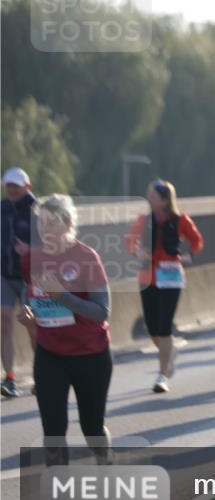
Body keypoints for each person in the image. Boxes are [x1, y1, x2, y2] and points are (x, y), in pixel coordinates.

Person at [18, 195, 112, 465]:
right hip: (50, 355)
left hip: (91, 355)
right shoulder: (31, 259)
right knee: (54, 432)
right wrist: (28, 312)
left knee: (91, 429)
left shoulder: (86, 257)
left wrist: (64, 297)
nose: (45, 229)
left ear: (68, 223)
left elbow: (101, 312)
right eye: (41, 223)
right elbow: (31, 293)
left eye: (52, 223)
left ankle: (104, 459)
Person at [126, 180, 204, 393]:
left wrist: (190, 254)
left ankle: (162, 375)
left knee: (164, 325)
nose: (149, 199)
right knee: (152, 327)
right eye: (148, 195)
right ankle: (168, 352)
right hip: (147, 277)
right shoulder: (143, 220)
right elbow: (130, 241)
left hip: (170, 276)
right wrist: (137, 251)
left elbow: (196, 241)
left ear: (165, 199)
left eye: (153, 196)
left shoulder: (180, 220)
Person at [1, 167, 37, 397]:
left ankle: (41, 375)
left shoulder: (39, 211)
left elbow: (55, 245)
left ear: (27, 187)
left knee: (32, 325)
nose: (11, 189)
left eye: (16, 185)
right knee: (4, 322)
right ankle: (10, 378)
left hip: (30, 276)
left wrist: (30, 250)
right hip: (4, 274)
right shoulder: (2, 208)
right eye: (8, 185)